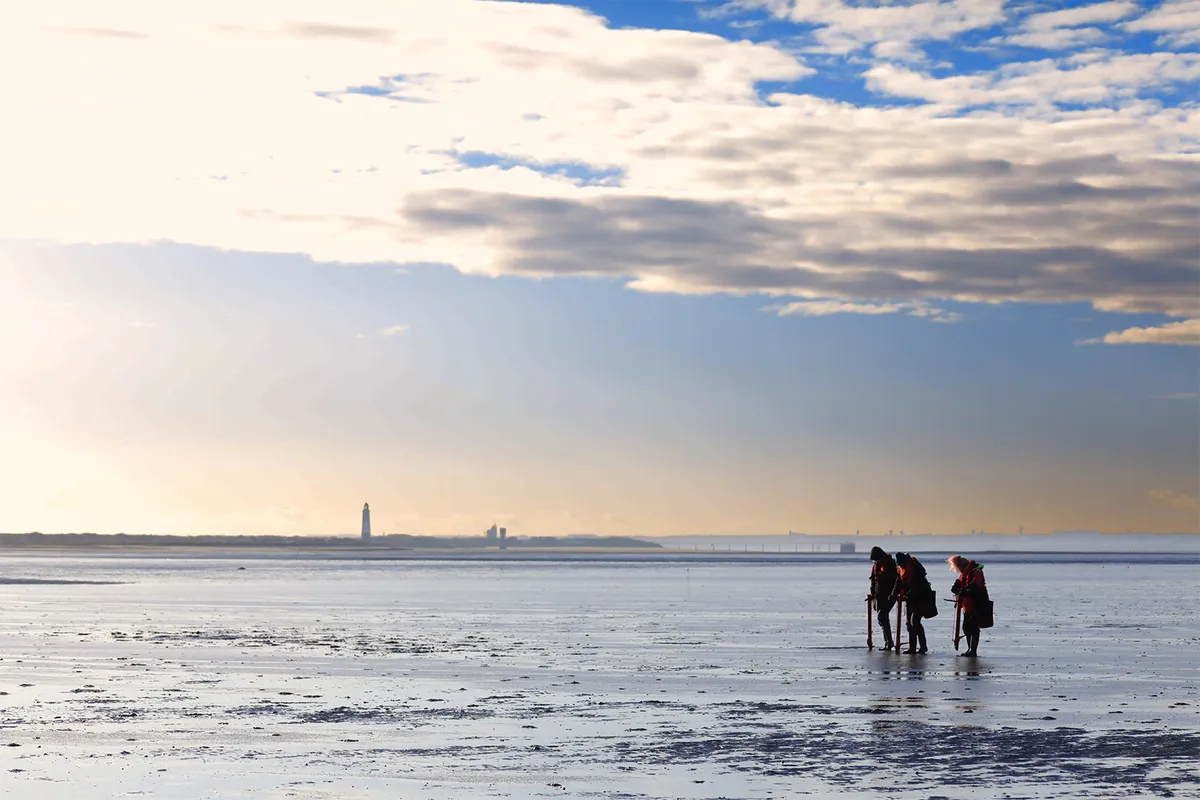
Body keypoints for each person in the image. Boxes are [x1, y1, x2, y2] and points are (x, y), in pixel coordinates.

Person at [892, 552, 932, 653]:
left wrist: (910, 593)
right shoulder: (901, 569)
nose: (900, 565)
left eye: (901, 564)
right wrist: (893, 594)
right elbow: (898, 582)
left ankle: (923, 646)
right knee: (910, 624)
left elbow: (920, 584)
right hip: (910, 599)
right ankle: (912, 647)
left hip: (921, 598)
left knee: (915, 622)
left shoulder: (916, 568)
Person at [949, 555, 988, 657]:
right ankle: (969, 649)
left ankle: (973, 650)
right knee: (966, 627)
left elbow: (976, 584)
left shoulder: (976, 571)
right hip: (968, 604)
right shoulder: (964, 573)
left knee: (973, 627)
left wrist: (965, 589)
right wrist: (956, 585)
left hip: (977, 603)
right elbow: (961, 582)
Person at [868, 547, 898, 651]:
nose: (876, 561)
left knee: (882, 616)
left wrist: (893, 593)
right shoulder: (876, 565)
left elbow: (894, 580)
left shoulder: (891, 564)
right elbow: (873, 579)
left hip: (888, 594)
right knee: (882, 619)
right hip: (878, 594)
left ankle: (889, 642)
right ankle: (888, 642)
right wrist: (872, 591)